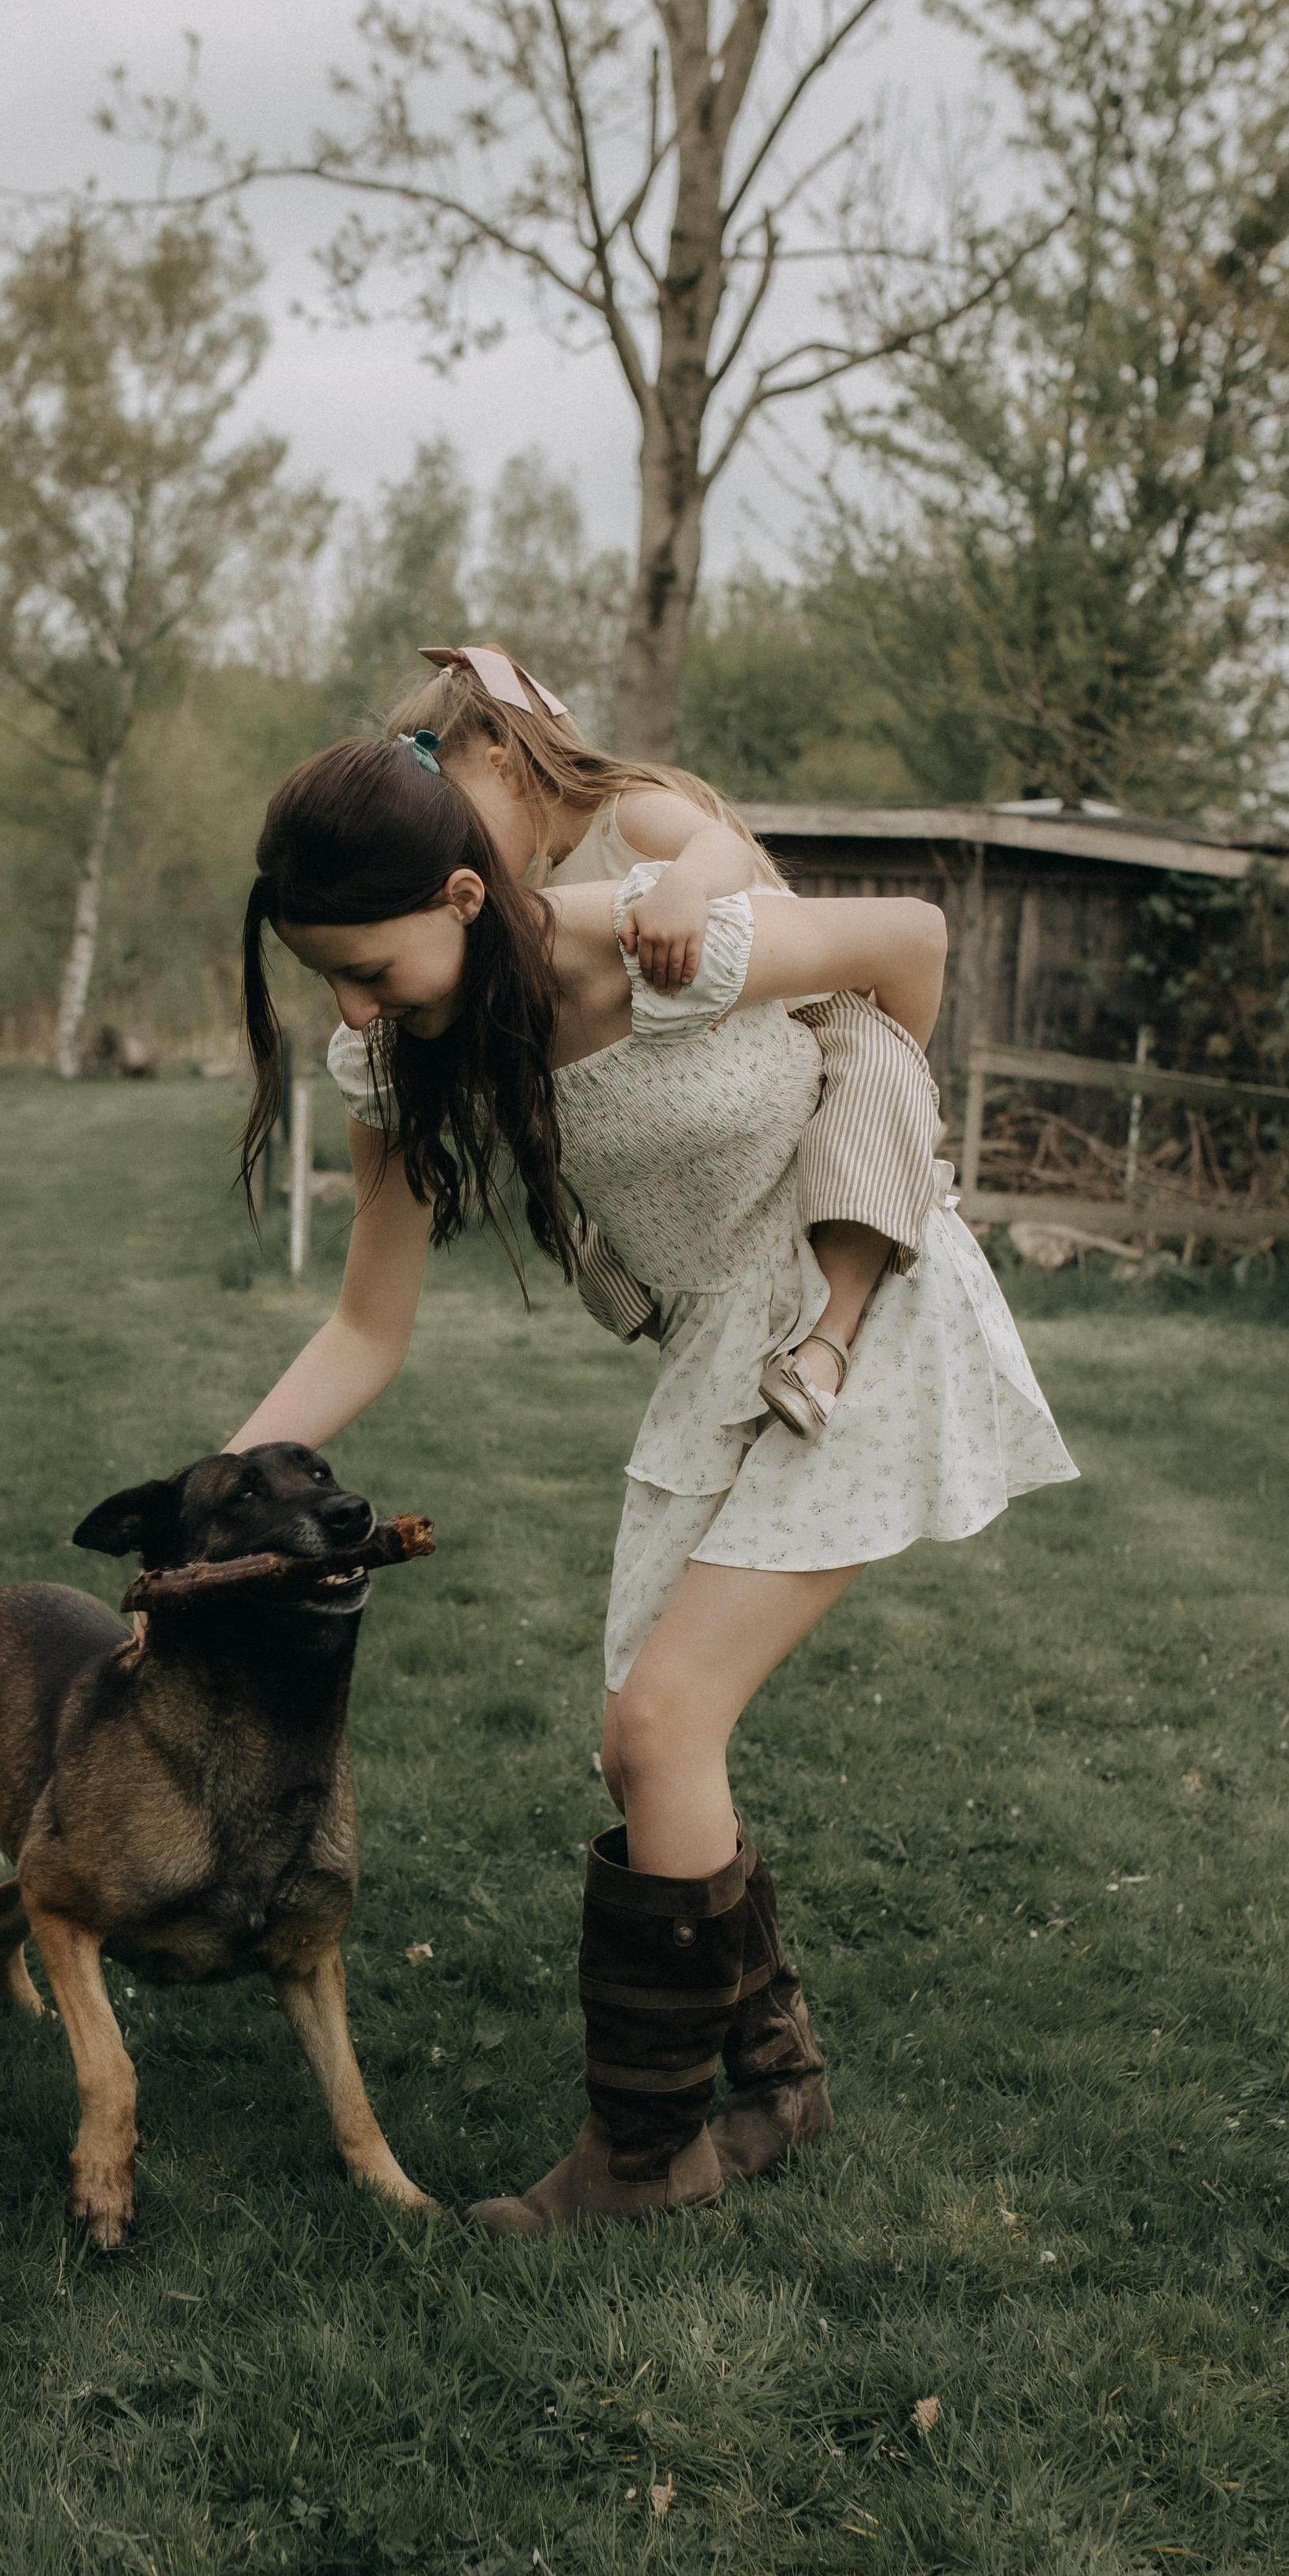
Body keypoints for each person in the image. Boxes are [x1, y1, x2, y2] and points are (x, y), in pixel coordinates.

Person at [228, 726, 1076, 2241]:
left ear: (471, 900)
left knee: (664, 1719)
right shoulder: (399, 1057)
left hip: (860, 1314)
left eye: (371, 966)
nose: (353, 1008)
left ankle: (647, 2147)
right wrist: (214, 1486)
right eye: (327, 980)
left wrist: (882, 1142)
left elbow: (912, 942)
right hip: (711, 1361)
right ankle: (776, 2078)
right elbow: (366, 1326)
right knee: (639, 1752)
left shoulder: (657, 948)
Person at [390, 644, 945, 1436]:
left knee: (869, 1094)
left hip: (812, 1017)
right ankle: (658, 1295)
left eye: (459, 823)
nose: (457, 855)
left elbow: (717, 846)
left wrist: (683, 886)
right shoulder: (534, 893)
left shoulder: (625, 805)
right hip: (705, 1081)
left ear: (504, 762)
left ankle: (831, 1335)